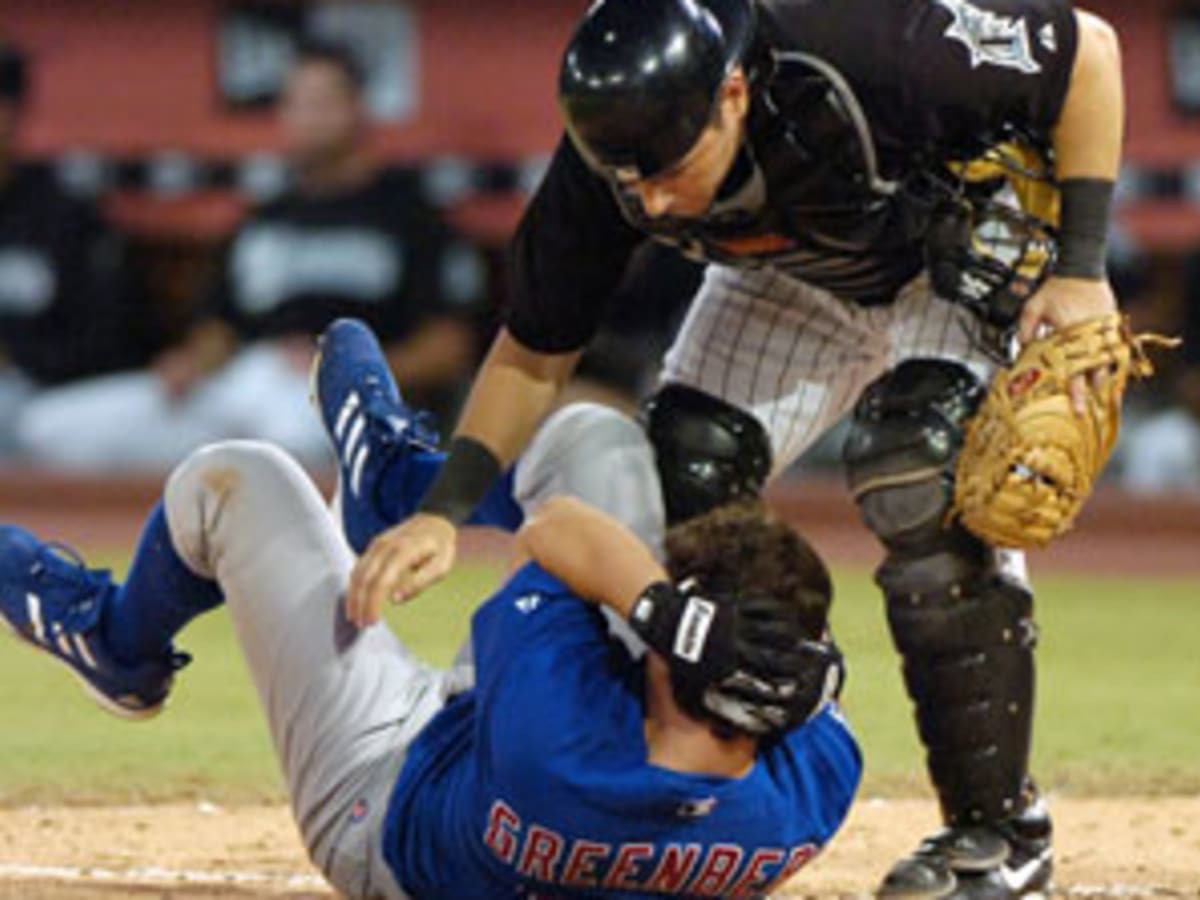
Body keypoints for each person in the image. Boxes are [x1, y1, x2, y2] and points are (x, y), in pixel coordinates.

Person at [347, 1, 1129, 896]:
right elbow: (533, 347)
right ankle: (693, 787)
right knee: (684, 477)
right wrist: (444, 512)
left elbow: (1091, 54)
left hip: (953, 254)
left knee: (918, 473)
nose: (650, 201)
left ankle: (998, 831)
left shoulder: (868, 41)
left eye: (669, 171)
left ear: (730, 93)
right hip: (791, 271)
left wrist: (1082, 269)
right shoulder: (619, 147)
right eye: (626, 179)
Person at [0, 321, 860, 899]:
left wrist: (662, 604)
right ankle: (392, 486)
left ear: (682, 643)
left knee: (235, 479)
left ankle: (118, 643)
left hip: (383, 794)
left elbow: (560, 528)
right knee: (597, 441)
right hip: (542, 765)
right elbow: (802, 688)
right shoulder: (809, 793)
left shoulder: (558, 744)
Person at [16, 39, 485, 470]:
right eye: (294, 103)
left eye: (321, 102)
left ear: (359, 109)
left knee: (289, 447)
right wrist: (193, 362)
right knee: (48, 429)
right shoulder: (265, 216)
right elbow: (220, 324)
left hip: (337, 400)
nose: (305, 117)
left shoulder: (410, 215)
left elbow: (447, 348)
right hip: (244, 385)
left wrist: (356, 373)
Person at [0, 42, 152, 455]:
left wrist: (19, 359)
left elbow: (108, 339)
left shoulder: (63, 215)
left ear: (11, 116)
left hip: (46, 398)